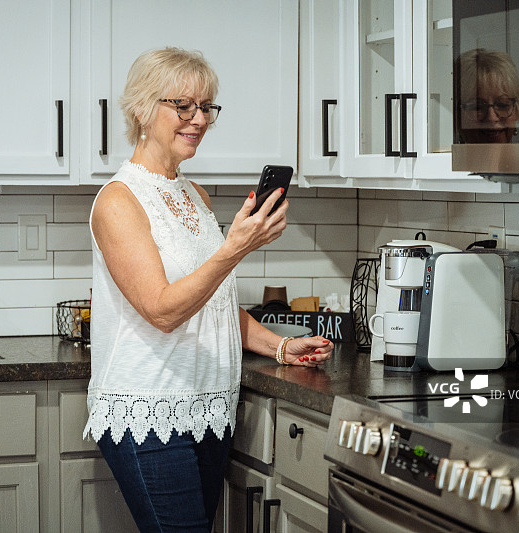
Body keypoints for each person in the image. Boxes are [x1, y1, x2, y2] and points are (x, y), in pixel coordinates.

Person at [83, 47, 334, 532]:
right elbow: (161, 310)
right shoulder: (118, 201)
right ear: (141, 108)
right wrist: (235, 248)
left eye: (206, 108)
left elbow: (211, 303)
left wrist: (280, 345)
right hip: (148, 412)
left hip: (208, 406)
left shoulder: (193, 194)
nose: (198, 119)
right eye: (183, 106)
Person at [455, 48, 519, 144]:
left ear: (517, 110)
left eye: (502, 105)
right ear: (457, 116)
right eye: (478, 107)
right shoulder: (442, 159)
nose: (492, 118)